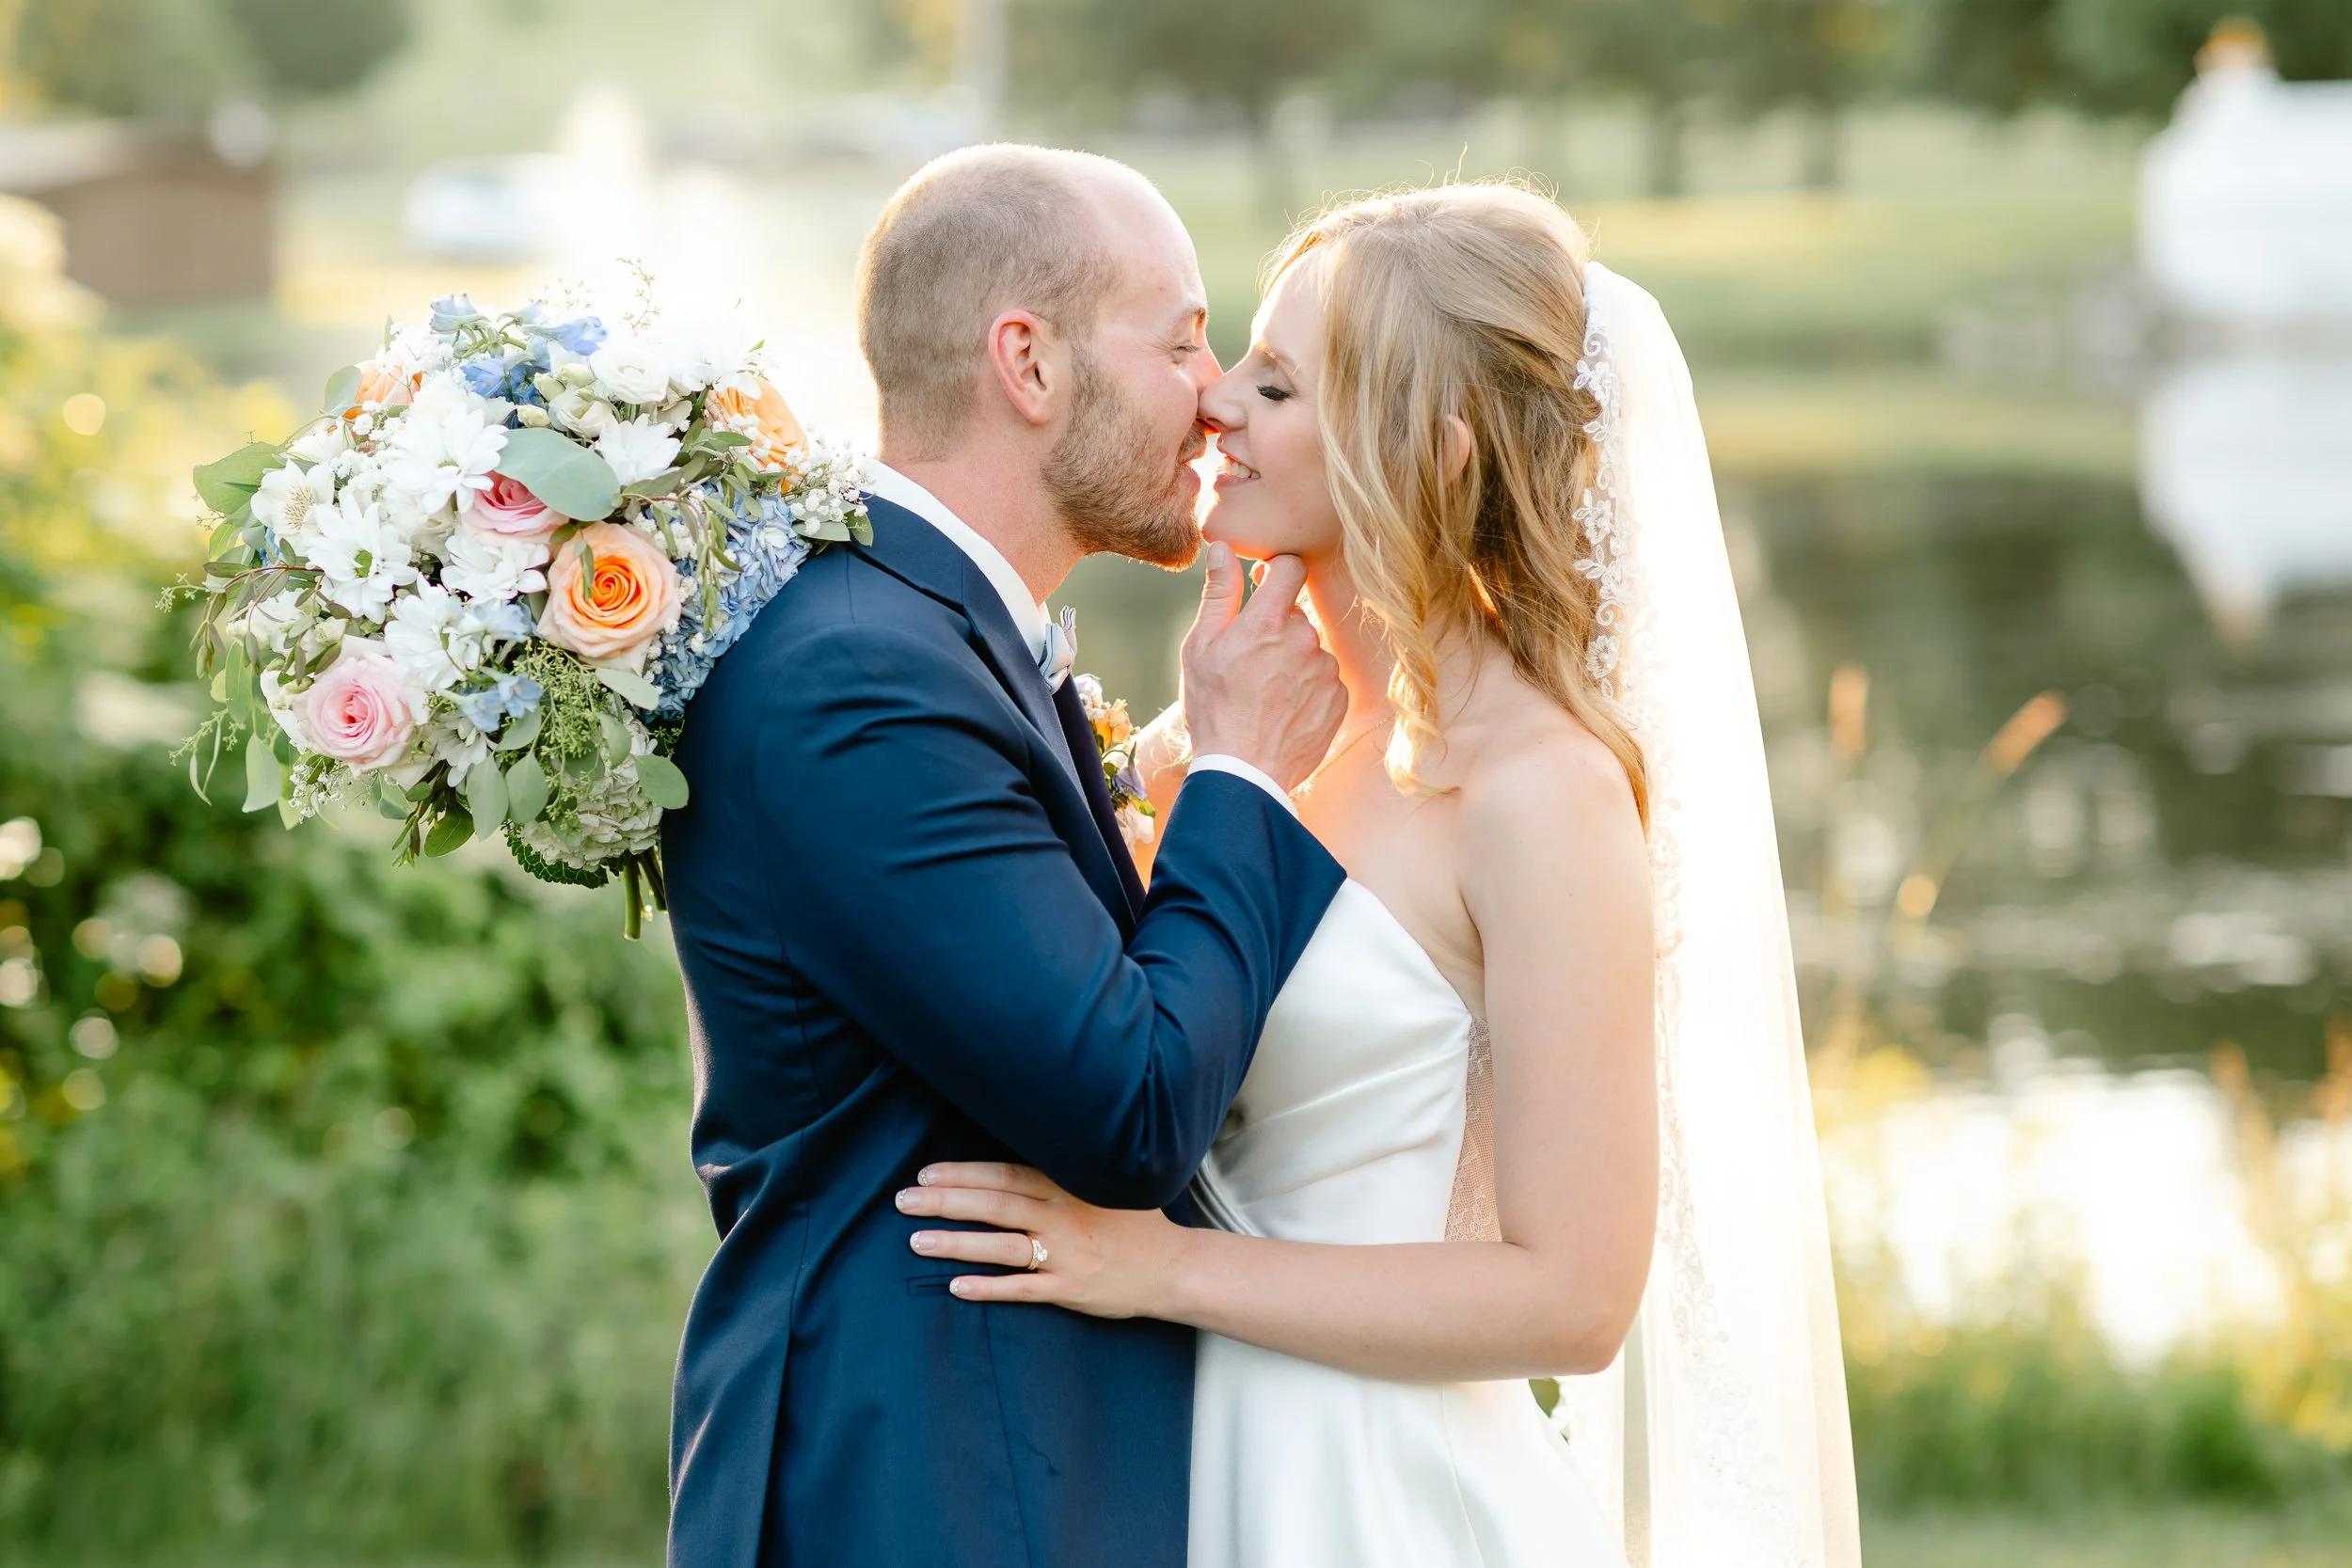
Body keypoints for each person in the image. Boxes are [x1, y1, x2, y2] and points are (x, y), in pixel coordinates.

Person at [899, 182, 1863, 1568]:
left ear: (1434, 451)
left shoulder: (1540, 793)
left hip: (1375, 1488)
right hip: (1170, 1458)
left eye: (1275, 383)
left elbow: (1574, 1296)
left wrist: (1160, 1267)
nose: (1213, 404)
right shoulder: (1245, 739)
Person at [658, 145, 1349, 1568]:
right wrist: (1238, 776)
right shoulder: (858, 676)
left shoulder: (920, 631)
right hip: (928, 1487)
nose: (1215, 395)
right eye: (1180, 340)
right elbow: (1132, 1102)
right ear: (1026, 364)